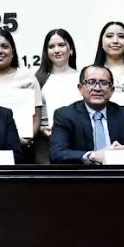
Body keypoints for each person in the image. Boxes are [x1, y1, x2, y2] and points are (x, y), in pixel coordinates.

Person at [49, 64, 124, 164]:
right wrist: (93, 156)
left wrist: (123, 155)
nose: (97, 88)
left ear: (112, 90)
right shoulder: (65, 115)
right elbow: (56, 154)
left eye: (104, 83)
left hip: (119, 175)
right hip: (82, 176)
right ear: (80, 88)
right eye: (91, 82)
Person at [0, 28, 41, 155]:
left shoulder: (27, 77)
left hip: (21, 148)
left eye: (4, 46)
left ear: (12, 51)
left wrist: (26, 139)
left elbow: (36, 116)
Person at [33, 28, 80, 164]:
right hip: (46, 144)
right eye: (51, 47)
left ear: (71, 49)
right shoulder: (37, 79)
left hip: (78, 141)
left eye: (61, 45)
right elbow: (33, 112)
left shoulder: (82, 77)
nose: (57, 50)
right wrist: (41, 128)